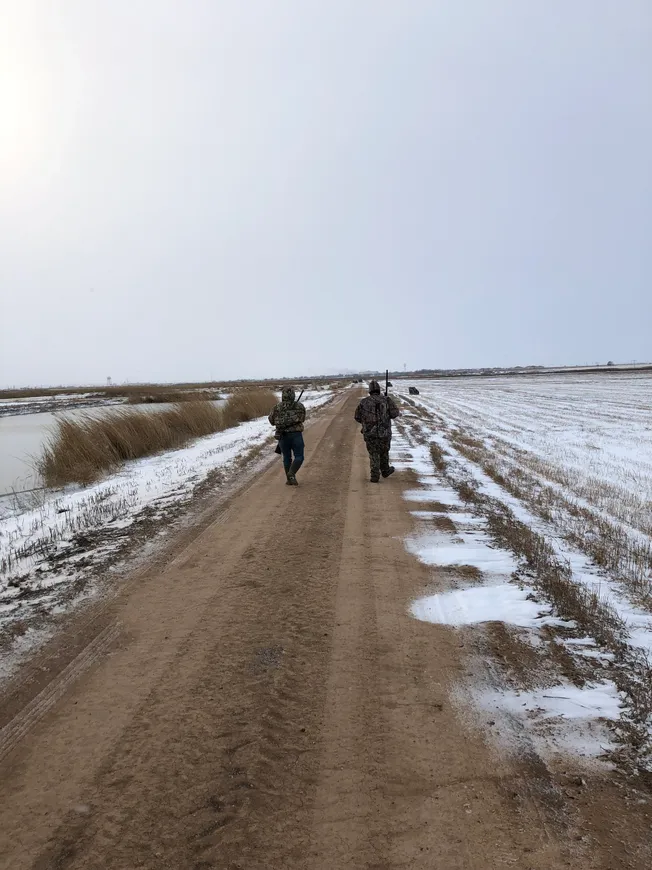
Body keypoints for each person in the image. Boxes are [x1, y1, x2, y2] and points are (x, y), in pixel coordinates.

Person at [354, 380, 400, 483]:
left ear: (370, 391)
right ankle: (385, 470)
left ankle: (375, 475)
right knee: (384, 451)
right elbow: (395, 414)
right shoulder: (386, 400)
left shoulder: (364, 402)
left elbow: (357, 417)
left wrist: (366, 423)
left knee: (374, 453)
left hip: (370, 433)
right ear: (379, 390)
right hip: (384, 433)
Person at [268, 387, 307, 486]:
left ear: (283, 396)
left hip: (282, 436)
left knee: (286, 458)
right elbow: (302, 418)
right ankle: (291, 473)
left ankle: (289, 479)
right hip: (296, 435)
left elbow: (271, 421)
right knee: (299, 456)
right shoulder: (299, 406)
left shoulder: (276, 407)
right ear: (293, 395)